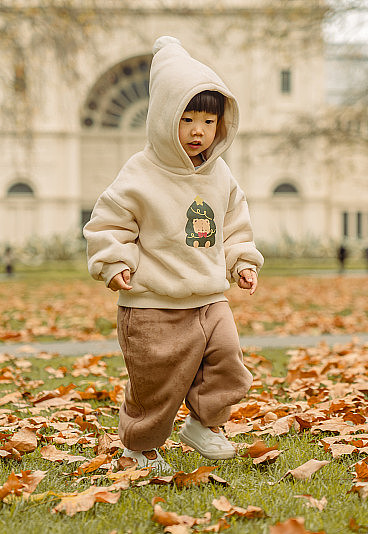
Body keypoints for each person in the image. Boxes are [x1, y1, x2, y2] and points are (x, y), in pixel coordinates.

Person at [83, 36, 263, 474]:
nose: (198, 131)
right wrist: (114, 262)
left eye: (209, 120)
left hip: (208, 299)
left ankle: (205, 423)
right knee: (156, 386)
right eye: (186, 119)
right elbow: (109, 223)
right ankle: (140, 447)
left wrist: (241, 260)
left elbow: (234, 222)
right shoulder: (140, 173)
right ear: (165, 119)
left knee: (229, 364)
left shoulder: (219, 174)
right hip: (152, 304)